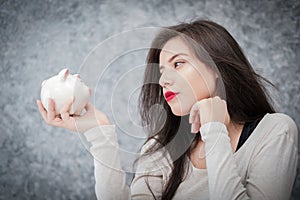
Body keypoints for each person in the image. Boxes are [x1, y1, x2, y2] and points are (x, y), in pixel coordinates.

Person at [37, 19, 298, 200]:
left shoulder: (274, 131)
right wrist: (100, 134)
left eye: (179, 63)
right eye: (161, 71)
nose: (163, 80)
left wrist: (214, 129)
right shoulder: (159, 148)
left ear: (217, 68)